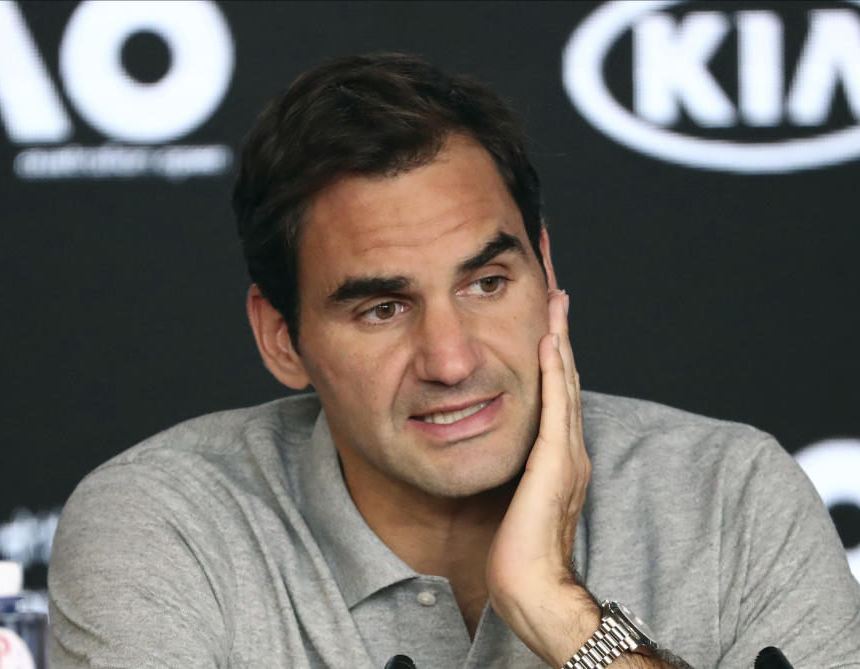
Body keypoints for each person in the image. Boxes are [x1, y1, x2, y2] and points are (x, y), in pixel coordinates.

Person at [47, 53, 860, 669]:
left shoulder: (732, 496)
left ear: (546, 269)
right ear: (282, 338)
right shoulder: (165, 525)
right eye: (382, 307)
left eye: (487, 282)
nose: (450, 358)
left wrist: (558, 607)